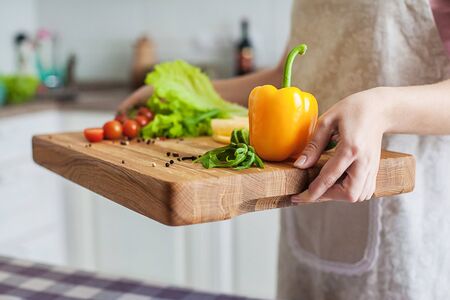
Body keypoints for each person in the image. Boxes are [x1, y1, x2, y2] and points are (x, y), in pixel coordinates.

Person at [118, 0, 450, 298]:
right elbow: (287, 78)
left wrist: (383, 108)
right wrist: (179, 95)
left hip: (400, 218)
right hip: (306, 204)